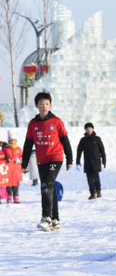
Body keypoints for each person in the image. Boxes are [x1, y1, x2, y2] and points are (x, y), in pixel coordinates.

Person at [21, 92, 73, 231]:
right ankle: (55, 220)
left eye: (47, 104)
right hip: (41, 160)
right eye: (41, 104)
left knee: (46, 185)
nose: (44, 106)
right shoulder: (33, 124)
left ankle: (46, 217)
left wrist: (69, 158)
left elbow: (65, 140)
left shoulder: (56, 121)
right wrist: (24, 163)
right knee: (48, 188)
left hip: (55, 158)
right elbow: (28, 144)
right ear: (36, 105)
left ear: (50, 105)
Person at [76, 123, 106, 200]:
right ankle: (92, 193)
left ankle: (98, 191)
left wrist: (104, 160)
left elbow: (102, 150)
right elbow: (79, 151)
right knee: (89, 179)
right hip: (87, 162)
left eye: (90, 128)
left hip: (96, 162)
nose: (88, 130)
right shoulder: (83, 140)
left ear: (92, 129)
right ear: (85, 130)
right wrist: (77, 161)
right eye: (87, 128)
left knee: (96, 178)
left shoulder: (97, 139)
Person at [4, 130, 23, 204]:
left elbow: (22, 157)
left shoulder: (18, 149)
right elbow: (2, 157)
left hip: (16, 170)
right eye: (11, 140)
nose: (12, 142)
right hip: (8, 170)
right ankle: (8, 197)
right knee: (8, 184)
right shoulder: (5, 149)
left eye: (14, 140)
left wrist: (19, 160)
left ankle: (16, 197)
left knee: (16, 184)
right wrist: (6, 160)